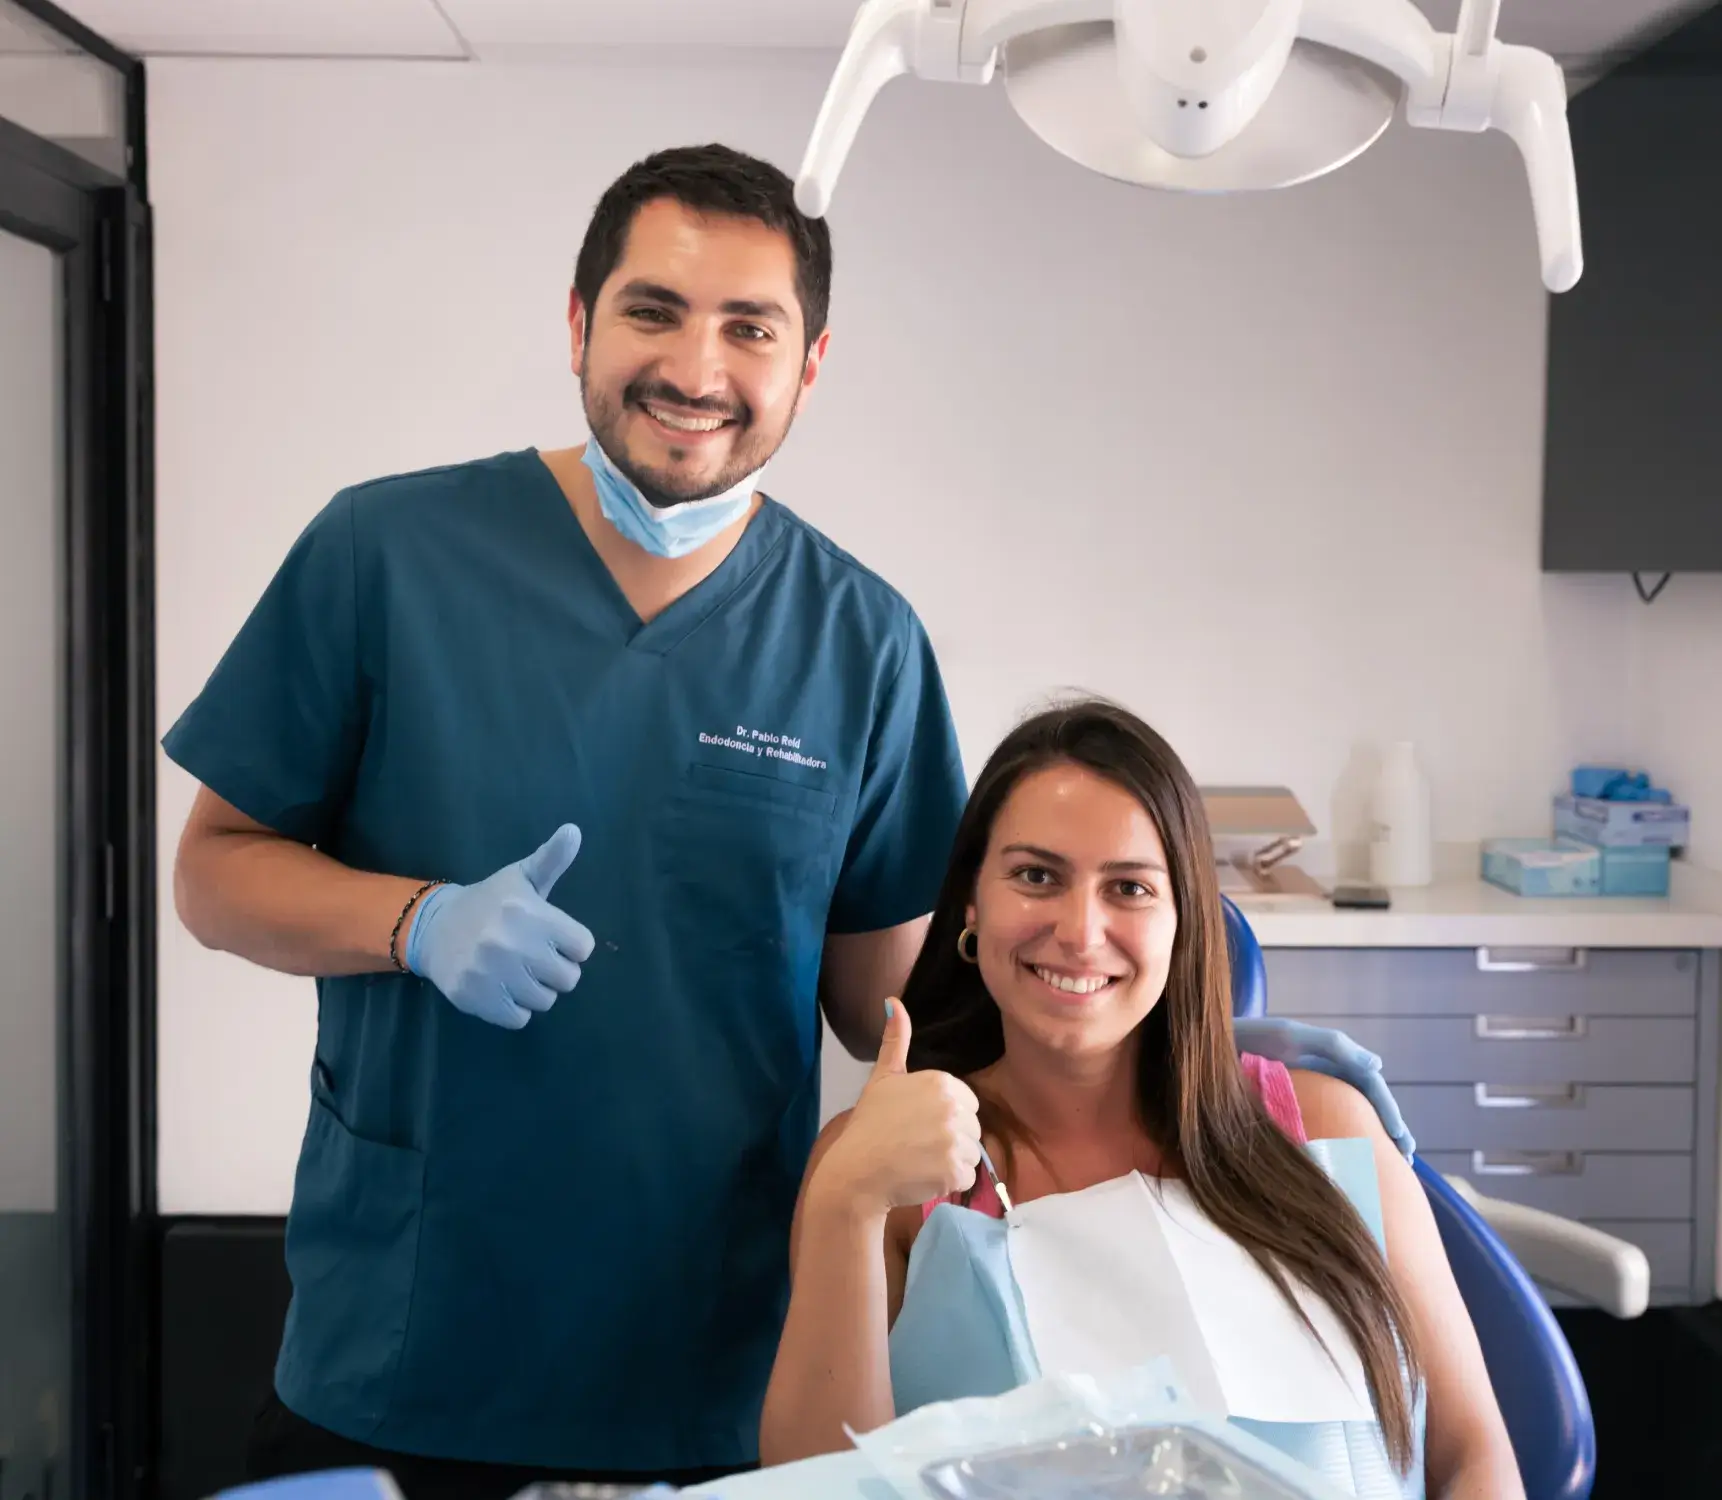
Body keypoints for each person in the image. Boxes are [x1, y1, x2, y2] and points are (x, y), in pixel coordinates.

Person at [166, 144, 1410, 1499]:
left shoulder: (859, 640)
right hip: (410, 1334)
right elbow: (213, 873)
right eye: (652, 310)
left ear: (809, 364)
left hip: (713, 1358)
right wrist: (415, 922)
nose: (695, 367)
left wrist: (1192, 1051)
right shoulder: (382, 556)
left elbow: (901, 1008)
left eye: (749, 328)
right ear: (579, 323)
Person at [759, 699, 1522, 1500]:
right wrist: (849, 1200)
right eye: (1036, 876)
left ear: (1183, 920)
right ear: (972, 904)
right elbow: (817, 1489)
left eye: (1129, 887)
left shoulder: (1325, 1126)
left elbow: (1474, 1458)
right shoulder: (889, 1170)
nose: (1080, 931)